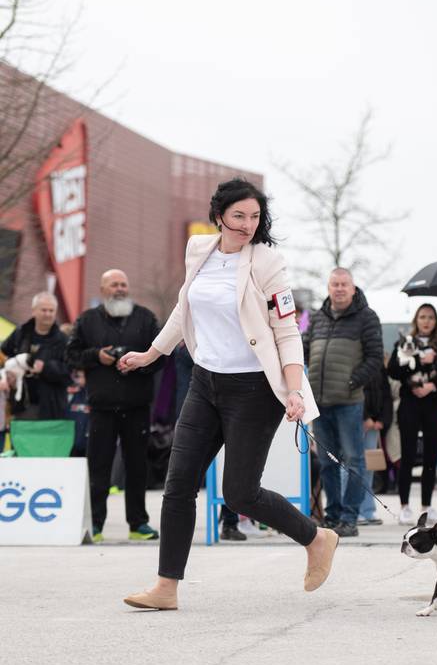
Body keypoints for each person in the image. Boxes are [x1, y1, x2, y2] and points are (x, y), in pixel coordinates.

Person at [119, 178, 339, 610]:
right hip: (205, 382)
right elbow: (185, 308)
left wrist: (294, 390)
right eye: (238, 215)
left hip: (254, 389)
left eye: (255, 217)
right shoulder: (198, 251)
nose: (247, 224)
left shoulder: (268, 262)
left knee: (240, 493)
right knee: (178, 484)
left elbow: (287, 331)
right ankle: (166, 587)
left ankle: (316, 537)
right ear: (218, 215)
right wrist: (152, 353)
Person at [66, 270, 162, 542]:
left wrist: (138, 363)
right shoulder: (87, 321)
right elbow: (70, 355)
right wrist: (96, 356)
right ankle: (95, 524)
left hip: (137, 406)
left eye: (124, 284)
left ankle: (138, 524)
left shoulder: (145, 318)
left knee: (136, 467)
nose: (120, 289)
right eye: (114, 284)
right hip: (102, 408)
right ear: (103, 288)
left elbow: (161, 356)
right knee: (99, 467)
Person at [303, 267, 383, 537]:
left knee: (354, 461)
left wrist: (351, 381)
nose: (339, 289)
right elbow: (303, 347)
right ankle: (333, 515)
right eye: (334, 284)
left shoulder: (366, 317)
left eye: (344, 284)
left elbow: (375, 358)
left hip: (349, 401)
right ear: (328, 287)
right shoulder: (316, 318)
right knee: (326, 462)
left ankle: (350, 517)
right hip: (319, 402)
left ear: (352, 288)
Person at [174, 341, 246, 541]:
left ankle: (231, 521)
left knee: (232, 470)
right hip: (195, 412)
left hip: (224, 407)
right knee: (185, 479)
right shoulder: (186, 349)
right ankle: (229, 522)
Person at [388, 303, 437, 526]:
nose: (426, 321)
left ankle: (427, 505)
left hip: (433, 403)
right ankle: (404, 505)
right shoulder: (403, 341)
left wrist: (432, 386)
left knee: (431, 457)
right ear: (416, 320)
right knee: (407, 454)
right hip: (410, 403)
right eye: (422, 317)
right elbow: (393, 370)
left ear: (436, 321)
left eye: (431, 317)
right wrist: (416, 363)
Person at [0, 292, 70, 420]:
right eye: (44, 310)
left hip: (51, 407)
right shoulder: (21, 332)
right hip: (21, 405)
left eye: (51, 310)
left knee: (47, 440)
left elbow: (70, 374)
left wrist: (46, 368)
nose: (48, 314)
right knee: (22, 440)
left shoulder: (63, 340)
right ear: (33, 311)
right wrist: (8, 373)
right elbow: (3, 354)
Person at [359, 364, 393, 525]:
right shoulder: (356, 359)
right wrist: (364, 416)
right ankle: (353, 509)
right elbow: (353, 390)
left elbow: (386, 393)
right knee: (351, 466)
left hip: (373, 423)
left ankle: (368, 510)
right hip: (356, 419)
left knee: (369, 467)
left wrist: (382, 419)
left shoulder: (377, 364)